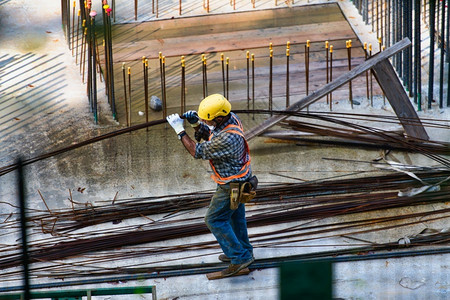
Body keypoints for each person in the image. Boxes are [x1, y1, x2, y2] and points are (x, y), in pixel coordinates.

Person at [166, 94, 256, 277]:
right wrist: (196, 125)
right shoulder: (231, 118)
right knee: (235, 218)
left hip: (231, 185)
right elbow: (211, 136)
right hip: (241, 180)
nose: (205, 121)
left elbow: (197, 151)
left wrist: (180, 131)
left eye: (207, 118)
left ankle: (238, 258)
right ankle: (245, 251)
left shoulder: (228, 139)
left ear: (219, 117)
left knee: (214, 220)